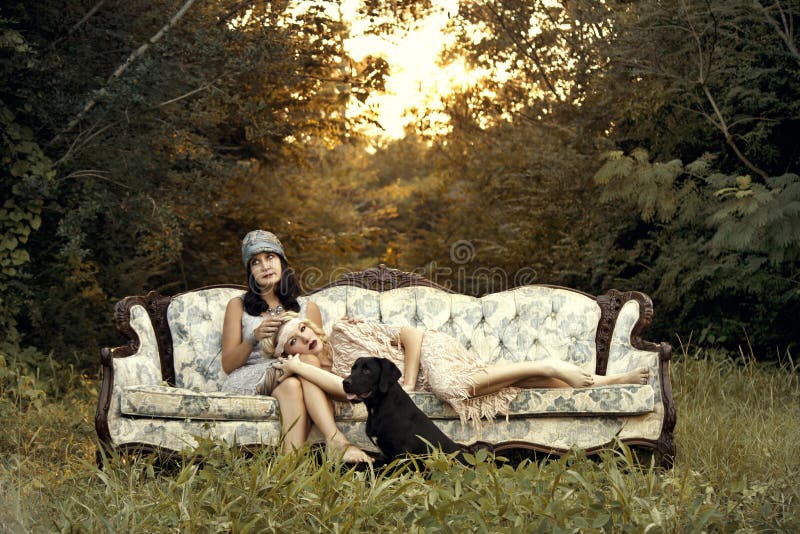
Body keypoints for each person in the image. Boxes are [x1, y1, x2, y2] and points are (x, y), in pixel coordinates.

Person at [266, 313, 650, 424]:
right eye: (292, 342)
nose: (303, 337)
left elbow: (412, 335)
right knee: (517, 384)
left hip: (431, 352)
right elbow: (335, 388)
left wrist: (412, 380)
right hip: (429, 376)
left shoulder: (345, 330)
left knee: (449, 386)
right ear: (292, 353)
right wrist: (296, 367)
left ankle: (547, 362)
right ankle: (607, 381)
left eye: (302, 328)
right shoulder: (340, 378)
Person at [220, 230, 371, 462]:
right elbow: (229, 364)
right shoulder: (237, 305)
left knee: (295, 381)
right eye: (255, 262)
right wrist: (253, 338)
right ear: (249, 272)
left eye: (270, 257)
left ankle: (289, 467)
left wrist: (345, 330)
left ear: (282, 262)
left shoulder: (306, 307)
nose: (264, 266)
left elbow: (319, 357)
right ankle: (337, 440)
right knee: (303, 363)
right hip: (250, 376)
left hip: (292, 373)